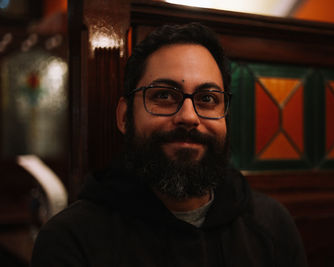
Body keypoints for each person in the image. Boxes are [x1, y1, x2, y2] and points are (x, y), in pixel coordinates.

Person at [31, 23, 308, 267]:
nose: (188, 117)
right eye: (164, 95)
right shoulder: (70, 241)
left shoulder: (272, 225)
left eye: (208, 99)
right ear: (125, 116)